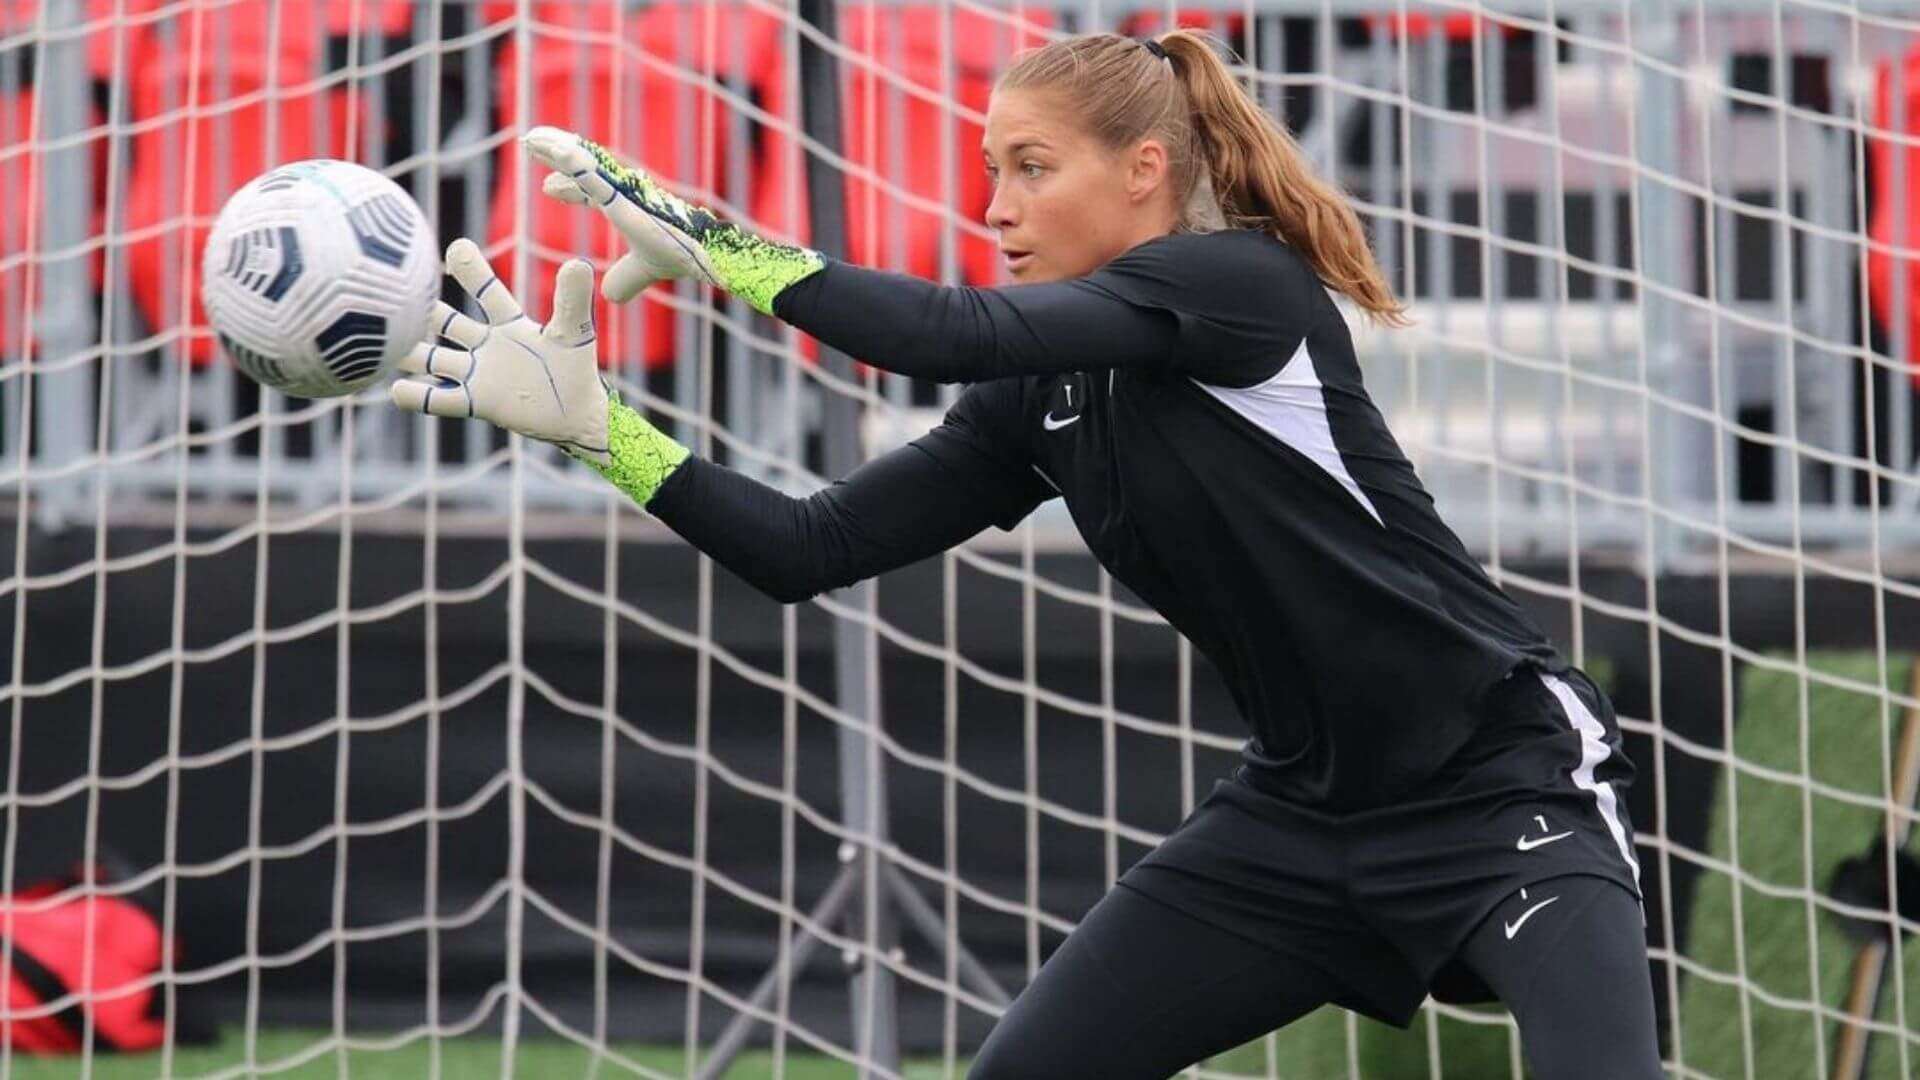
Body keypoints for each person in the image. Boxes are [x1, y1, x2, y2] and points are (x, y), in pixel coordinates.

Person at [390, 29, 1663, 1080]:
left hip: (1503, 786)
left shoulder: (1240, 288)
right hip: (1298, 821)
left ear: (1144, 171)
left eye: (1031, 167)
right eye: (988, 169)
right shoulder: (1042, 400)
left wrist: (715, 239)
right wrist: (603, 433)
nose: (994, 208)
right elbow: (807, 546)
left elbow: (946, 331)